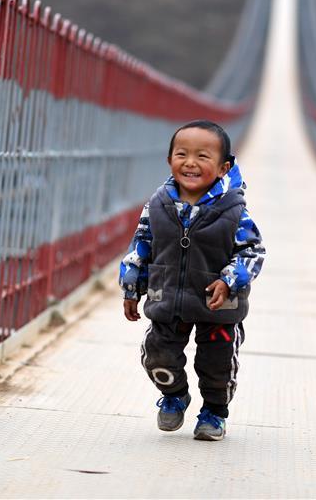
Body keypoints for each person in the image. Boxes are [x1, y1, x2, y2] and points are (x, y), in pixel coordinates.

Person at [119, 120, 265, 441]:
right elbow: (142, 243)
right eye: (182, 154)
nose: (190, 163)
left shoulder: (234, 210)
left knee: (218, 365)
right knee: (158, 353)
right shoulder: (158, 205)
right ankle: (175, 394)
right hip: (168, 294)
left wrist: (229, 280)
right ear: (169, 159)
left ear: (223, 167)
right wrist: (132, 285)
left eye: (203, 156)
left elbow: (253, 251)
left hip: (219, 303)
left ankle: (214, 412)